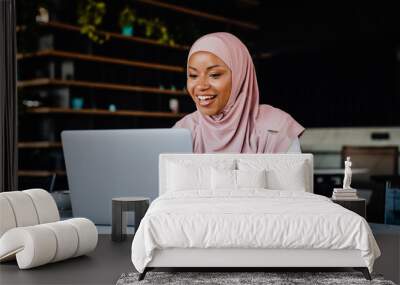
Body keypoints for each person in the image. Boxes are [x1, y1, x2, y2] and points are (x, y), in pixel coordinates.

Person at [173, 32, 304, 153]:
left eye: (214, 74)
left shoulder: (276, 129)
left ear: (239, 76)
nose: (201, 86)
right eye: (193, 75)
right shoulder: (183, 130)